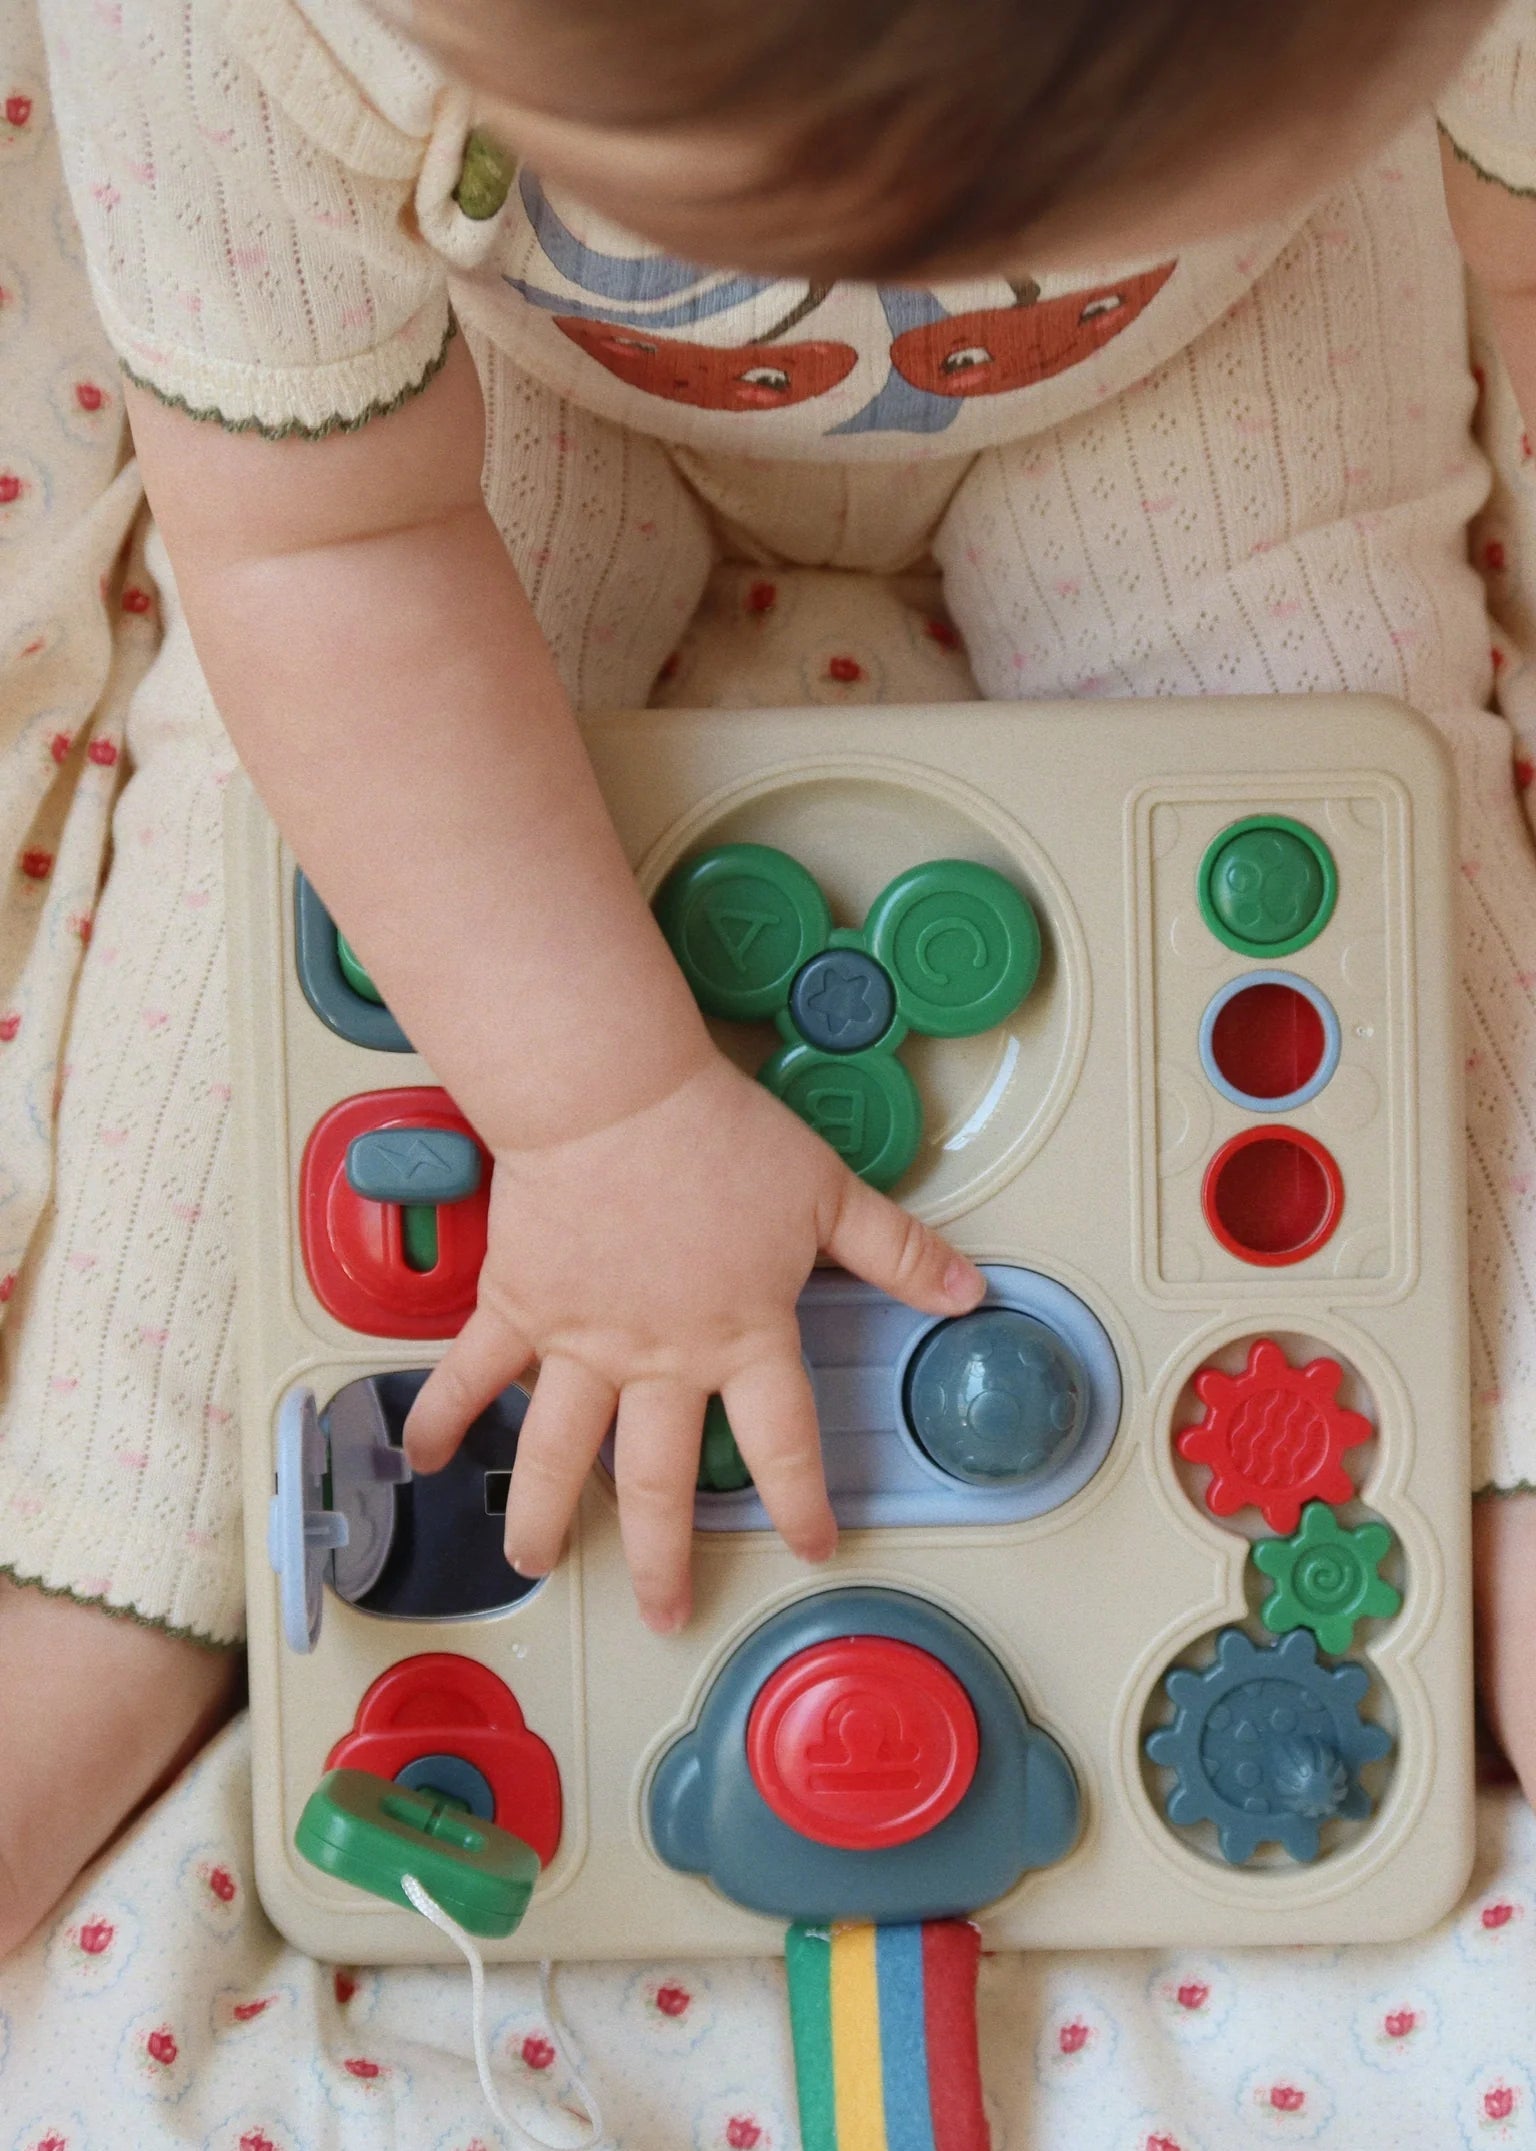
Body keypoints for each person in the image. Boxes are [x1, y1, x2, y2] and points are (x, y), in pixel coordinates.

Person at [7, 0, 1536, 1956]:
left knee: (1385, 852)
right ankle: (113, 1554)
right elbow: (318, 543)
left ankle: (1510, 1461)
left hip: (1214, 358)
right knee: (297, 860)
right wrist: (600, 1103)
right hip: (489, 409)